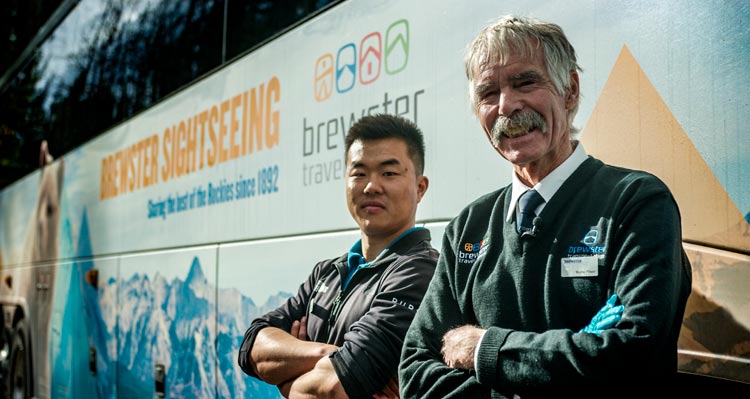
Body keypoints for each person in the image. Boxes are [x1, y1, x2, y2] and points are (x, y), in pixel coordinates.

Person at [398, 15, 692, 398]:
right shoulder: (467, 229)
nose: (506, 105)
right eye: (488, 93)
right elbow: (416, 371)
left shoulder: (636, 203)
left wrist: (487, 350)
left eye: (525, 82)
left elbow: (631, 355)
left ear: (569, 90)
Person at [238, 114, 438, 398]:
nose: (371, 186)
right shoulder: (328, 272)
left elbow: (331, 389)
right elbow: (251, 346)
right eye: (359, 173)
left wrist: (285, 379)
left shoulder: (421, 272)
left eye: (389, 173)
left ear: (420, 188)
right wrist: (328, 355)